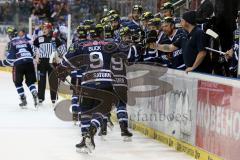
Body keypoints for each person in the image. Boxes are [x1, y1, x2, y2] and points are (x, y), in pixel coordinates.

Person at [56, 25, 120, 153]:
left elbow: (67, 62)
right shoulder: (111, 44)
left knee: (85, 111)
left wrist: (62, 71)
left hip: (88, 82)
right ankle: (92, 130)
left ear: (89, 35)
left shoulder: (81, 45)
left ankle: (85, 137)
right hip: (106, 81)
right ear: (101, 34)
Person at [0, 27, 38, 107]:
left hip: (19, 64)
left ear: (10, 35)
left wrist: (1, 63)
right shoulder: (25, 40)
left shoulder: (11, 43)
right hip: (29, 62)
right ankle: (34, 91)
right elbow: (33, 52)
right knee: (30, 82)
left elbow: (10, 60)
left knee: (17, 82)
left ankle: (23, 99)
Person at [33, 22, 66, 105]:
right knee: (41, 81)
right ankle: (40, 98)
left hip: (53, 63)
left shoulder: (56, 39)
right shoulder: (39, 39)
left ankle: (53, 99)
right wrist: (36, 57)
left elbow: (63, 50)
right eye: (42, 28)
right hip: (42, 63)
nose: (43, 30)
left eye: (45, 28)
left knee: (53, 81)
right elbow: (33, 48)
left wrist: (58, 57)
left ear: (50, 29)